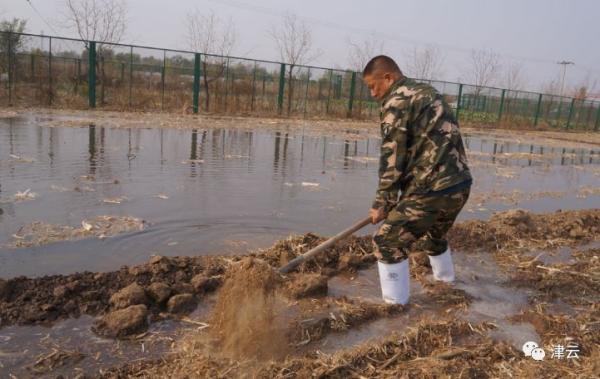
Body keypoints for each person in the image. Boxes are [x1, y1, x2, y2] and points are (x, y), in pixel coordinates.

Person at [362, 55, 472, 305]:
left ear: (388, 77)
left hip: (432, 190)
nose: (372, 93)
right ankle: (447, 285)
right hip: (460, 186)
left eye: (373, 85)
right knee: (435, 236)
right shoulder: (426, 91)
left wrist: (383, 202)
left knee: (387, 241)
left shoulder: (396, 100)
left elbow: (393, 156)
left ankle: (395, 309)